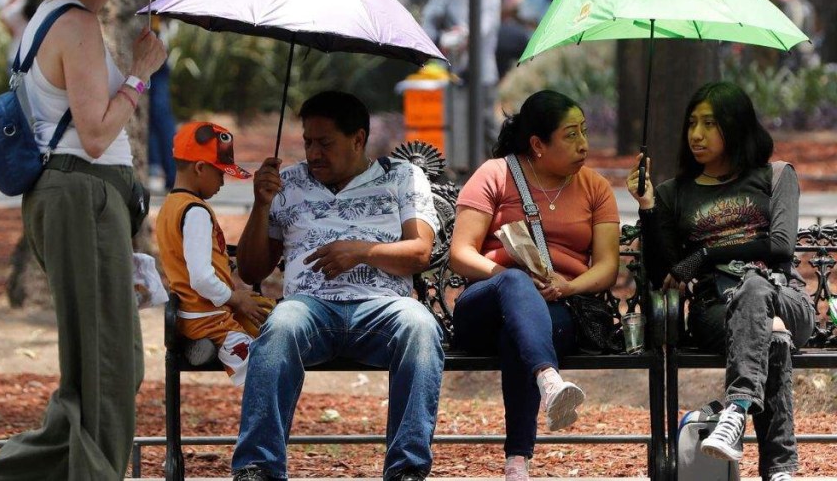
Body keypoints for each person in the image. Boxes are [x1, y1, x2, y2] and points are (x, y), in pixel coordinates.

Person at [0, 0, 166, 481]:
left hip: (80, 198)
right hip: (81, 195)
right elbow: (96, 133)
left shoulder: (51, 15)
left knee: (100, 368)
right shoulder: (74, 24)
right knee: (109, 367)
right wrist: (140, 76)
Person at [231, 90, 443, 481]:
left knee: (420, 326)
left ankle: (407, 471)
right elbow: (250, 269)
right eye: (308, 142)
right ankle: (258, 467)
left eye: (325, 143)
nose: (313, 153)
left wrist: (362, 252)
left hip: (383, 309)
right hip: (309, 308)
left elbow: (420, 253)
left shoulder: (402, 176)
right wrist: (262, 206)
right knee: (280, 326)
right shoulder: (288, 183)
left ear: (358, 139)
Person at [627, 81, 814, 481]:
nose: (696, 134)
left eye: (709, 123)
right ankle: (778, 468)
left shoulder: (776, 176)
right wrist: (647, 207)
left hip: (785, 296)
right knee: (773, 336)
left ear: (736, 125)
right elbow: (666, 273)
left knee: (756, 288)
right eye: (692, 123)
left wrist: (707, 253)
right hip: (717, 310)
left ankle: (737, 407)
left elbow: (780, 247)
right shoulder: (675, 193)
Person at [448, 90, 620, 481]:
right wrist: (509, 279)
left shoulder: (595, 188)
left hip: (557, 307)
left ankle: (517, 463)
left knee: (519, 336)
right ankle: (548, 379)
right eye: (571, 135)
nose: (584, 145)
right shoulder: (495, 175)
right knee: (513, 283)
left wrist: (567, 287)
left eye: (584, 132)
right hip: (485, 304)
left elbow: (608, 266)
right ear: (538, 145)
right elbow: (461, 253)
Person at [155, 120, 274, 386]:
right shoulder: (195, 211)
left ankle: (201, 346)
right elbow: (200, 278)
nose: (223, 181)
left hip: (192, 315)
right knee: (268, 368)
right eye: (220, 173)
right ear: (199, 168)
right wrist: (236, 299)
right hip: (209, 320)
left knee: (267, 312)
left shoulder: (171, 206)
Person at [421, 0, 501, 144]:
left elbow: (484, 26)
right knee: (454, 127)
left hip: (481, 73)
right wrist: (442, 37)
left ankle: (501, 170)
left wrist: (460, 35)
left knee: (486, 125)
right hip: (449, 74)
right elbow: (427, 28)